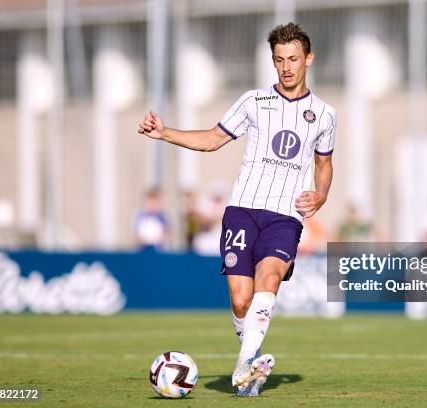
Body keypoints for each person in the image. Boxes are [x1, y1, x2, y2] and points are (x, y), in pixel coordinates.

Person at [137, 22, 336, 397]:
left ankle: (244, 366)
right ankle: (252, 364)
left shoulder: (324, 115)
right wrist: (164, 133)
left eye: (293, 58)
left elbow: (324, 163)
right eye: (279, 60)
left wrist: (321, 194)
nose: (286, 67)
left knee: (271, 278)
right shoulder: (253, 101)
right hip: (242, 209)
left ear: (308, 58)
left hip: (285, 215)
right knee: (241, 299)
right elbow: (213, 139)